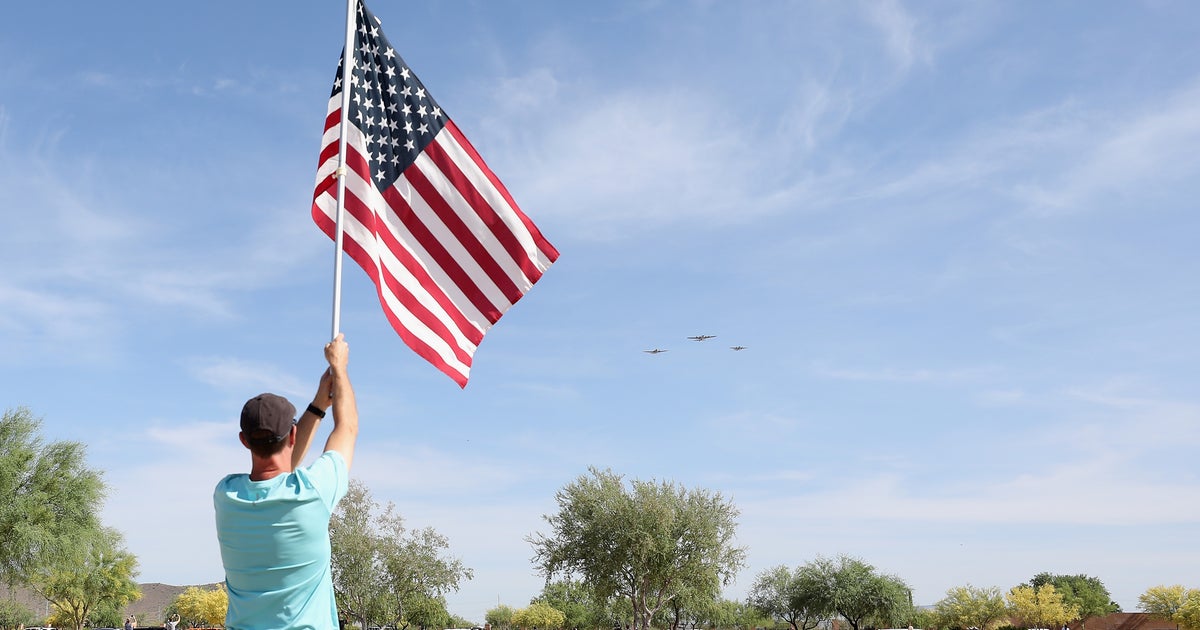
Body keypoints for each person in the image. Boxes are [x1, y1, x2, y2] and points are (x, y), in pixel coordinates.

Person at [213, 333, 359, 630]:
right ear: (292, 435)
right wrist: (339, 367)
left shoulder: (226, 495)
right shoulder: (313, 491)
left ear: (244, 440)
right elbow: (347, 427)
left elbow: (279, 470)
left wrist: (318, 405)